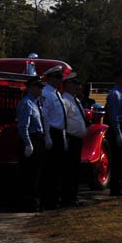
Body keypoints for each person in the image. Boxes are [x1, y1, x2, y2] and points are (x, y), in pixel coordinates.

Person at [16, 75, 48, 211]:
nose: (41, 89)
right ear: (30, 88)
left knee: (38, 172)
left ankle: (36, 201)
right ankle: (30, 202)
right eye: (38, 87)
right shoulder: (27, 103)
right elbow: (23, 126)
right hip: (32, 138)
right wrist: (28, 143)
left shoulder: (37, 102)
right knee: (30, 173)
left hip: (39, 138)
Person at [39, 64, 68, 209]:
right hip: (52, 132)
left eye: (60, 77)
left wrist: (63, 135)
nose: (59, 80)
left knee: (58, 169)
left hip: (59, 133)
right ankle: (49, 200)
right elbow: (45, 116)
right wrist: (47, 136)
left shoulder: (56, 93)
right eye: (57, 77)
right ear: (49, 78)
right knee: (51, 170)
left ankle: (55, 199)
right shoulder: (46, 94)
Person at [61, 71, 88, 207]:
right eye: (74, 83)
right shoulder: (65, 101)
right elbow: (63, 121)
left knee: (75, 171)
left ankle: (73, 196)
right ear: (67, 85)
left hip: (77, 140)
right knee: (69, 171)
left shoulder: (75, 100)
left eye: (78, 84)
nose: (77, 86)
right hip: (71, 139)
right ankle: (68, 198)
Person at [105, 68, 122, 196]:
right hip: (119, 126)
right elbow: (114, 116)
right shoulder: (114, 94)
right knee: (118, 159)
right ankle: (116, 187)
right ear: (117, 79)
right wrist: (118, 133)